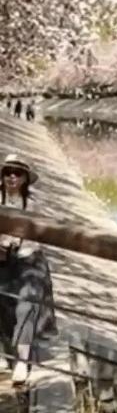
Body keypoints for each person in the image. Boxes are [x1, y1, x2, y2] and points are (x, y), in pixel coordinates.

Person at [0, 155, 56, 388]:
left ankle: (22, 360)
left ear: (25, 179)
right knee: (3, 302)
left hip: (27, 259)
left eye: (18, 173)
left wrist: (15, 243)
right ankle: (5, 352)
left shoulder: (33, 204)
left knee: (27, 303)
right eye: (8, 172)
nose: (12, 177)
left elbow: (38, 234)